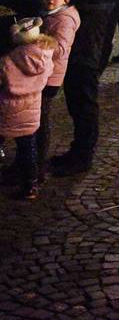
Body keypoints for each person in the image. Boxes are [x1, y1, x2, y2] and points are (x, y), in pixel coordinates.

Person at [51, 0, 119, 175]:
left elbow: (85, 1)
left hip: (90, 55)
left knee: (85, 107)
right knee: (76, 103)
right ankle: (77, 150)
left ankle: (83, 156)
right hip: (81, 53)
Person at [0, 18, 55, 200]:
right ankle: (31, 185)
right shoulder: (45, 57)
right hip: (31, 111)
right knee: (28, 148)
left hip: (7, 109)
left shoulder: (8, 61)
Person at [35, 0, 80, 181]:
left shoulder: (65, 19)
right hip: (42, 73)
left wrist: (36, 39)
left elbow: (61, 49)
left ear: (66, 0)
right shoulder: (52, 14)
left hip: (51, 77)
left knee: (40, 121)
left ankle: (38, 166)